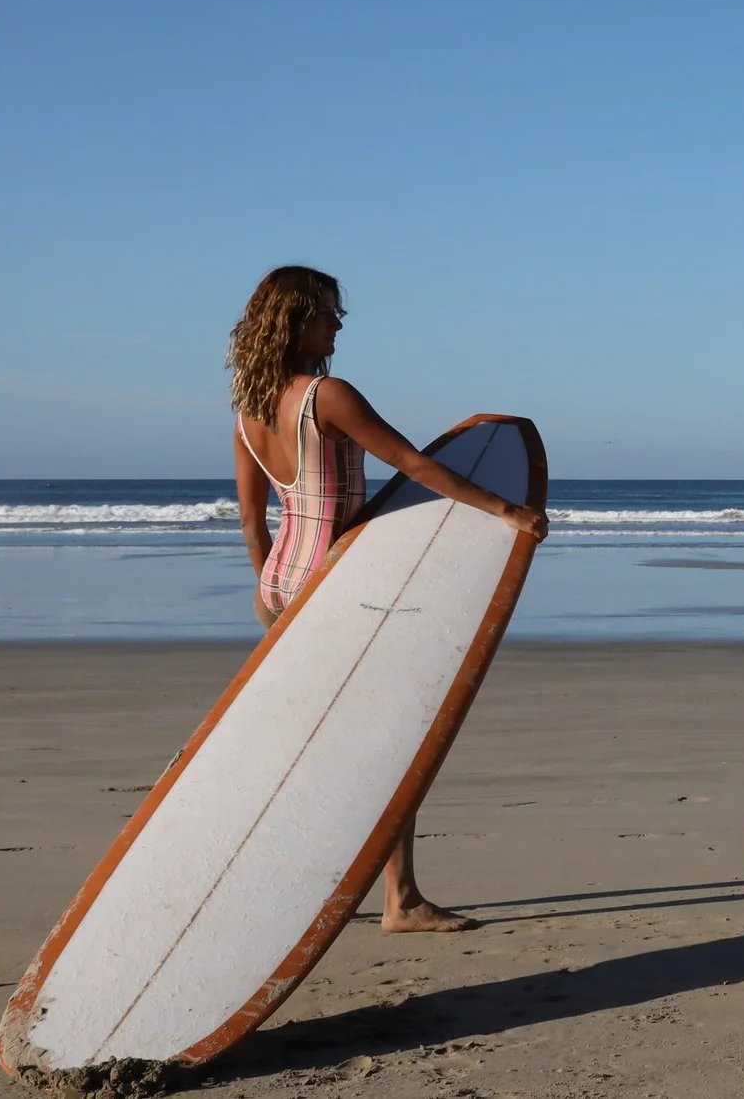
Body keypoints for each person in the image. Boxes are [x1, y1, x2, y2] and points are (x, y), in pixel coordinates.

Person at [227, 265, 548, 933]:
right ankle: (400, 899)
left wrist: (277, 603)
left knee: (329, 743)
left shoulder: (249, 411)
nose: (337, 324)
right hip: (335, 590)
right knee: (392, 743)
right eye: (327, 312)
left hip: (281, 586)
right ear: (294, 321)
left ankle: (325, 885)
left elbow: (254, 523)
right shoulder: (329, 396)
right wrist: (506, 510)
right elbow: (415, 466)